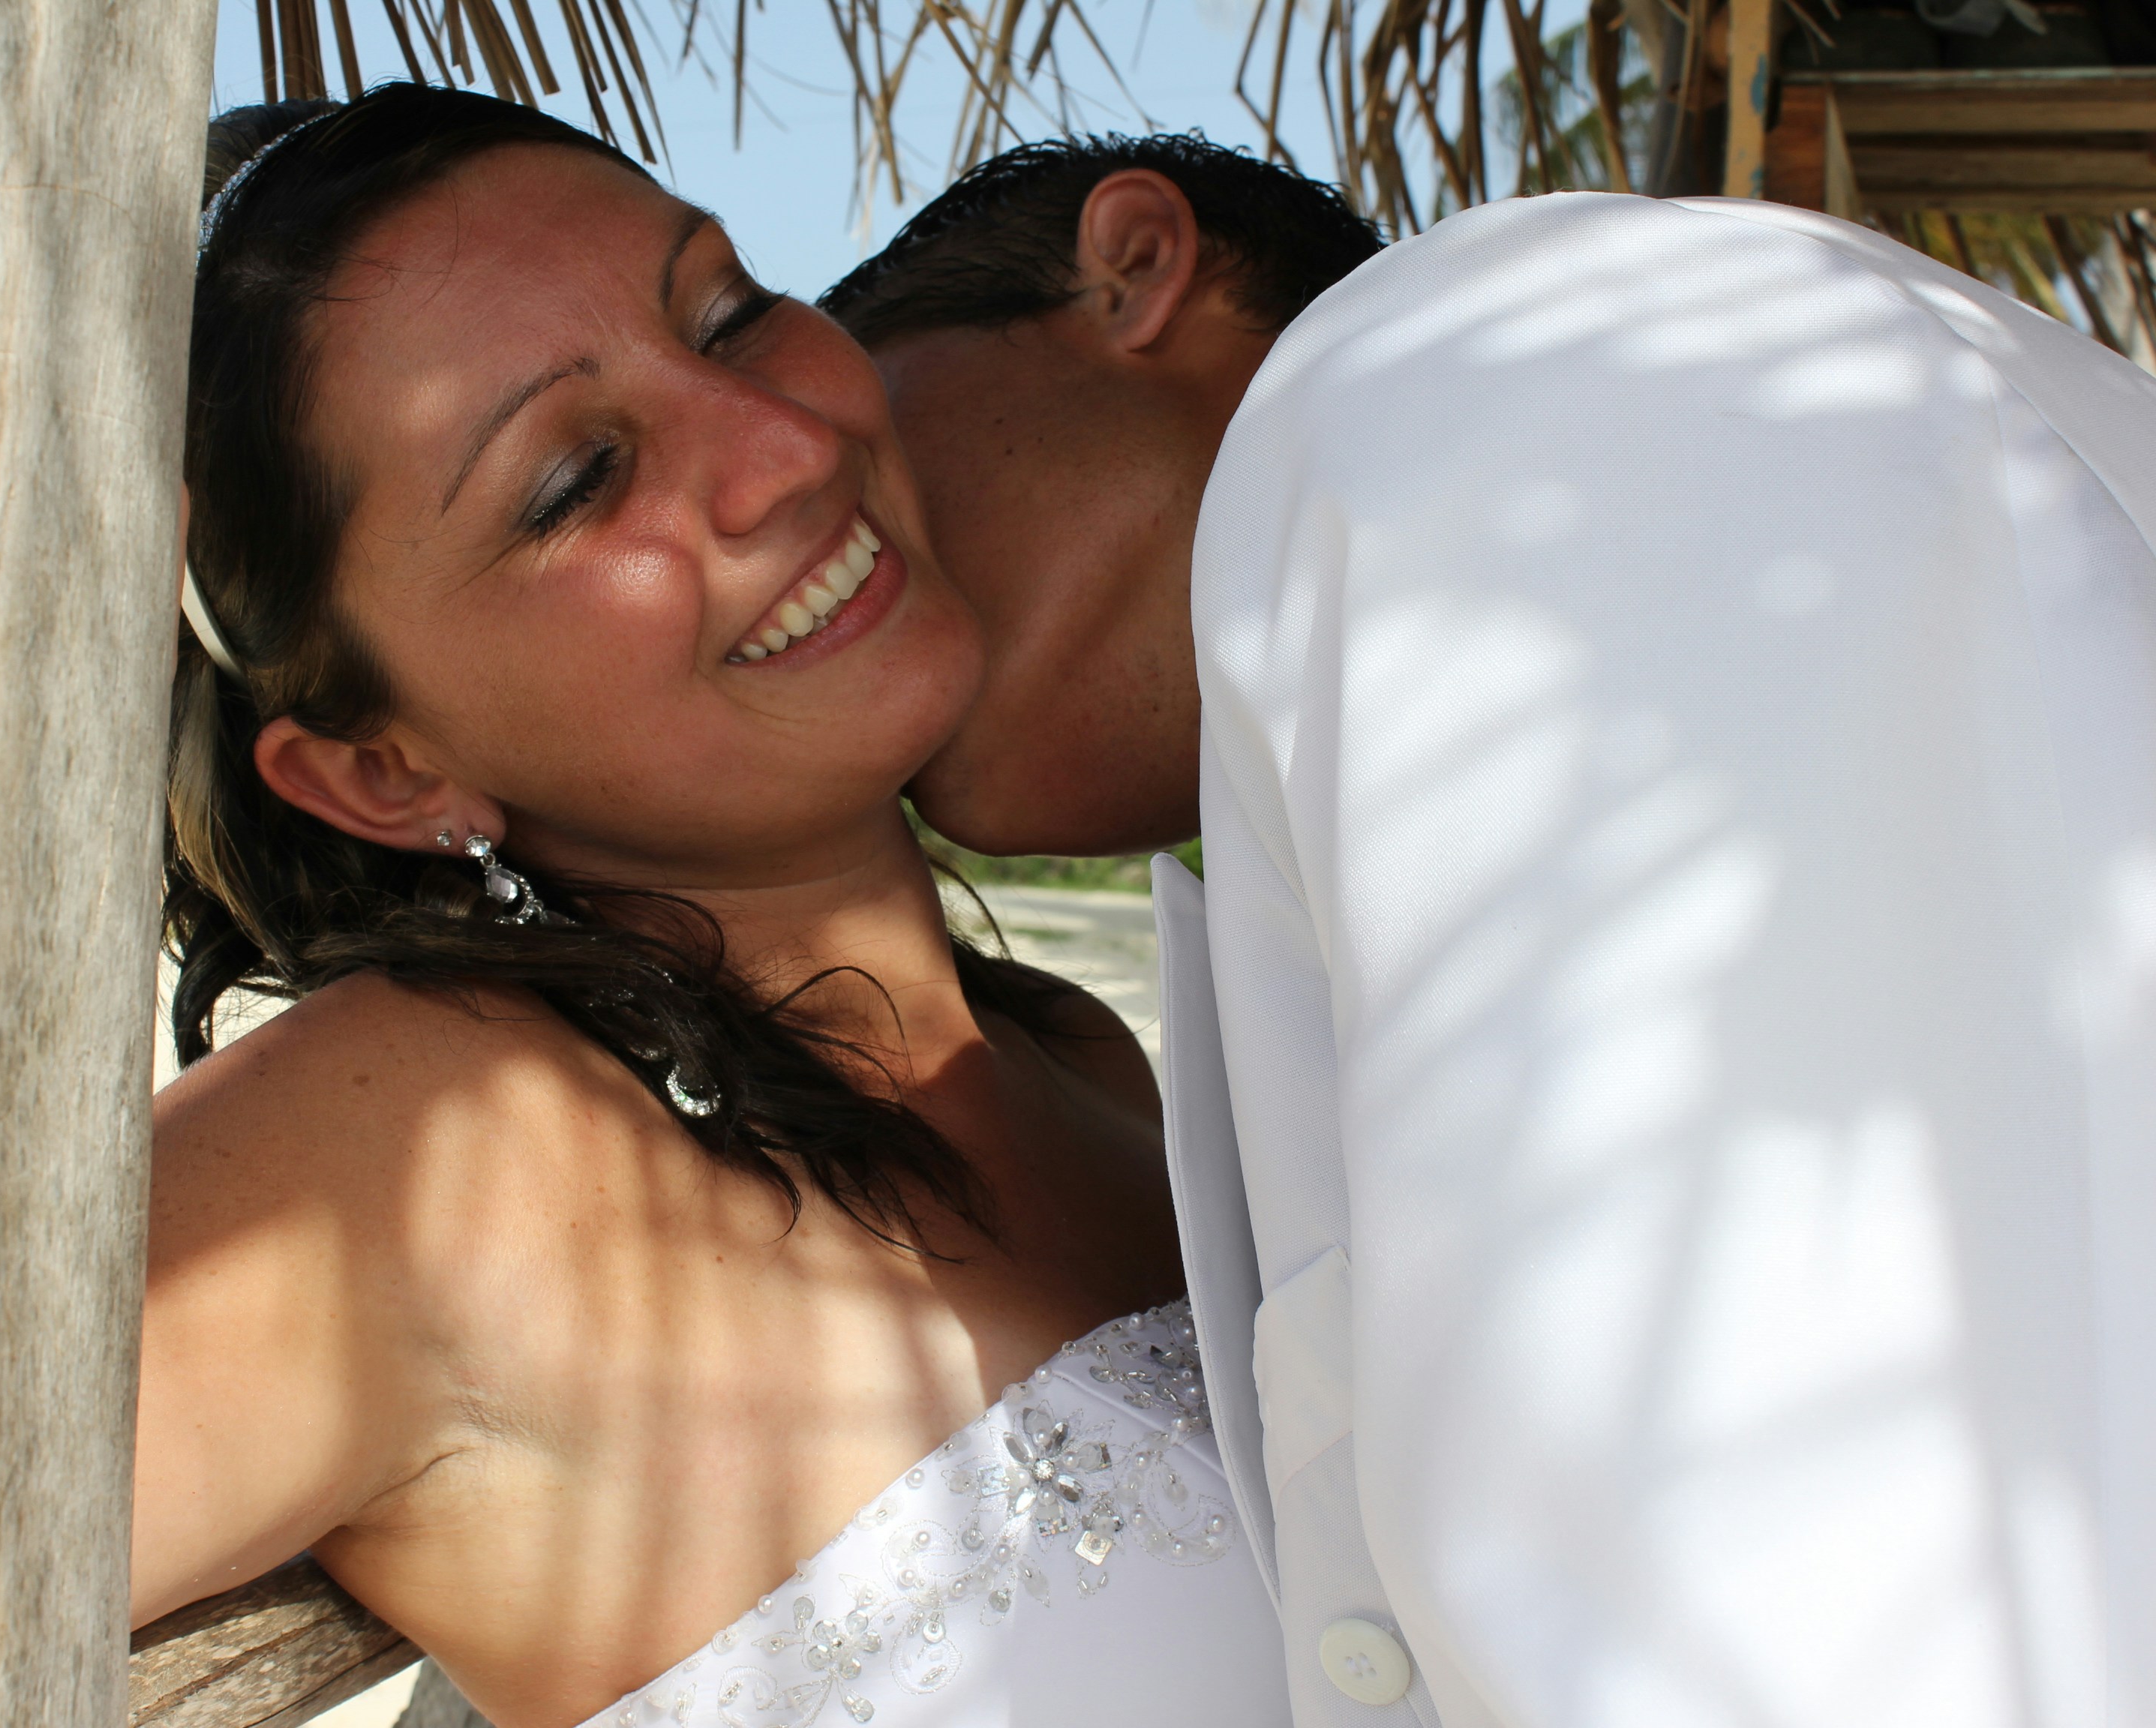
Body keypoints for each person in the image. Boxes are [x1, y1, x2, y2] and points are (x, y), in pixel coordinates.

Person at [827, 142, 2156, 1725]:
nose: (832, 556)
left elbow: (1781, 1542)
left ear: (1132, 265)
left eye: (859, 449)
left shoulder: (1499, 372)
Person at [133, 87, 1296, 1728]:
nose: (790, 447)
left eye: (730, 315)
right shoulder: (411, 1152)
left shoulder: (1072, 1056)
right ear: (384, 774)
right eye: (577, 480)